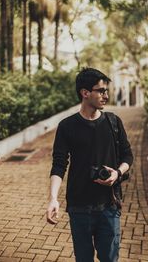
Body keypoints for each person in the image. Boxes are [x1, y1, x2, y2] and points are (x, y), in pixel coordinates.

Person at [46, 68, 133, 262]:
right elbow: (59, 164)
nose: (106, 95)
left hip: (109, 206)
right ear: (85, 93)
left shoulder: (113, 122)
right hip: (79, 207)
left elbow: (128, 156)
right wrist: (53, 198)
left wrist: (117, 173)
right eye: (101, 91)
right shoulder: (67, 126)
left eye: (106, 90)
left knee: (110, 259)